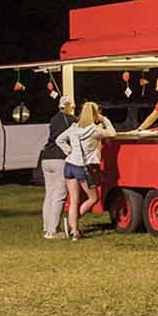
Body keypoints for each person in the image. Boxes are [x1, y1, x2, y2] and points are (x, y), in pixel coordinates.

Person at [56, 100, 113, 241]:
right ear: (95, 114)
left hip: (69, 165)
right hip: (82, 167)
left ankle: (74, 231)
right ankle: (73, 223)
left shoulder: (73, 128)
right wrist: (104, 119)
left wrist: (68, 151)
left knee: (74, 200)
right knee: (93, 198)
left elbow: (59, 140)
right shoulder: (94, 130)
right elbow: (112, 133)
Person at [40, 95, 74, 239]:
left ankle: (47, 228)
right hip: (59, 158)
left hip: (46, 158)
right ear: (68, 106)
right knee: (59, 194)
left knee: (50, 193)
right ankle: (53, 230)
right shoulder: (71, 120)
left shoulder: (53, 119)